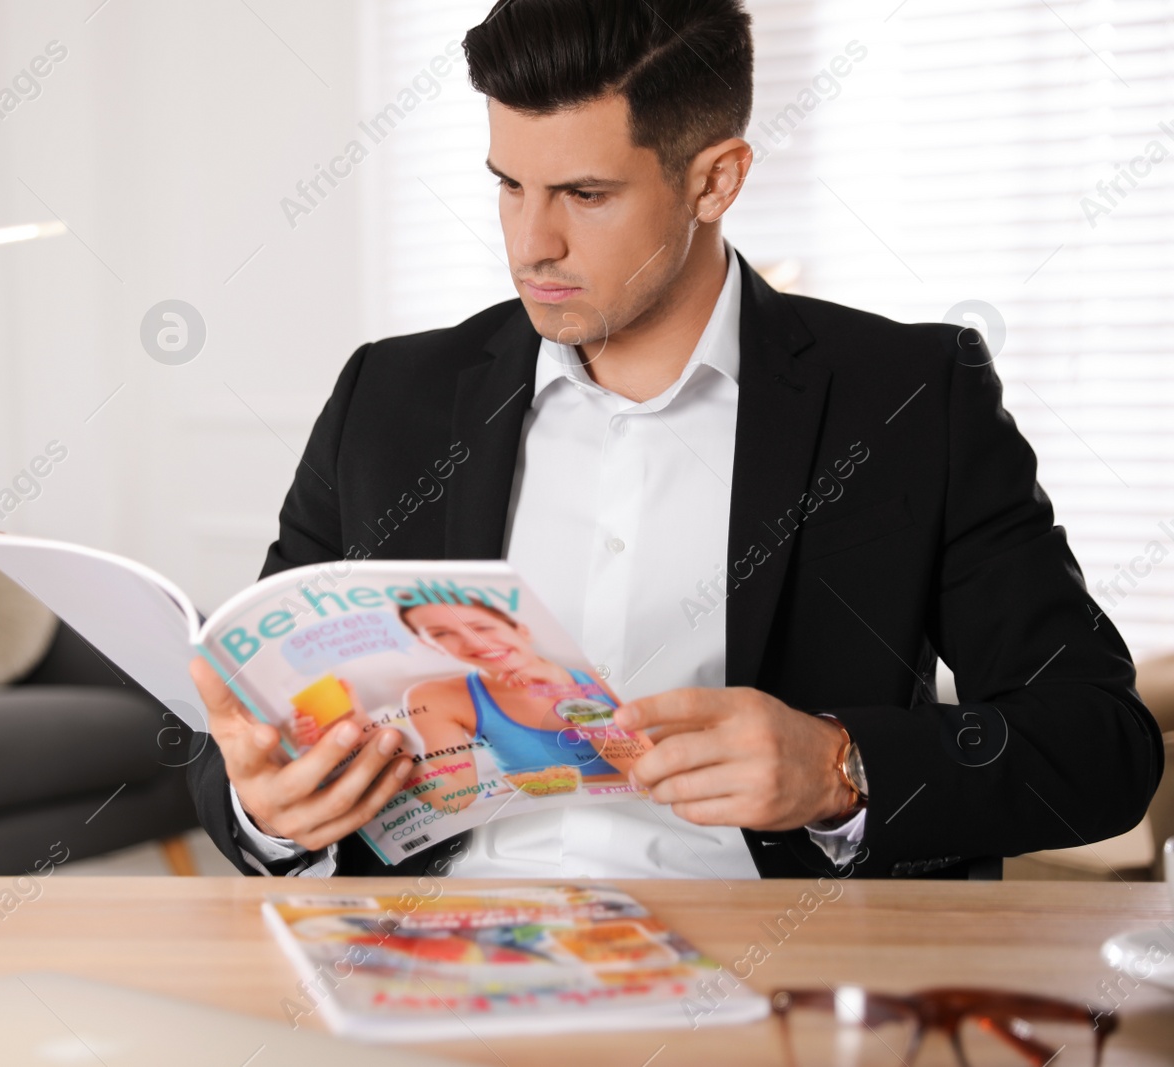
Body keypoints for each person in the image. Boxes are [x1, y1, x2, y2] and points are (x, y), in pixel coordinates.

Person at [186, 0, 1164, 879]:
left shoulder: (907, 398)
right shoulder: (389, 394)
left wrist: (838, 768)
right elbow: (239, 713)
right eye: (508, 185)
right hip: (437, 964)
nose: (530, 242)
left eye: (584, 193)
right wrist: (268, 811)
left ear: (715, 181)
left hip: (771, 976)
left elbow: (1097, 746)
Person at [397, 598, 645, 811]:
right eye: (441, 633)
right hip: (529, 826)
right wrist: (392, 756)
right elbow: (455, 800)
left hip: (624, 814)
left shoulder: (599, 676)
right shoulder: (437, 695)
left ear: (521, 630)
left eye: (482, 627)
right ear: (430, 645)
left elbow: (644, 774)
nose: (473, 642)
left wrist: (569, 696)